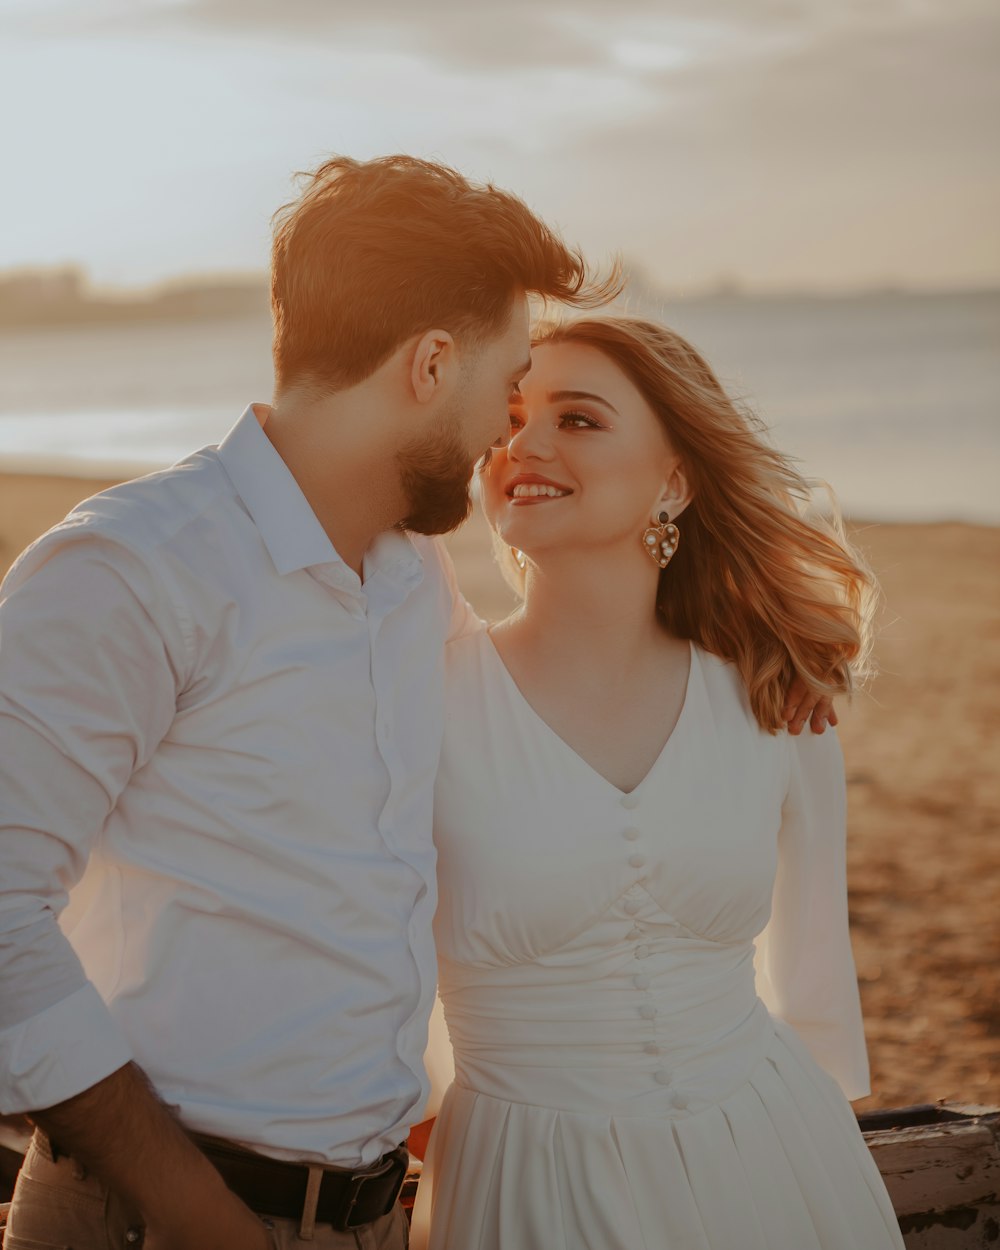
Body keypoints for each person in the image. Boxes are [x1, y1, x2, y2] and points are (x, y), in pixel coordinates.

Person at [0, 155, 618, 1250]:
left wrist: (744, 657)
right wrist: (198, 1214)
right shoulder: (129, 570)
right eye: (506, 384)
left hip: (377, 1216)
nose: (507, 430)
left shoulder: (409, 576)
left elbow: (530, 723)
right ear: (431, 363)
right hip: (152, 1221)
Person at [411, 316, 905, 1249]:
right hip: (522, 1179)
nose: (526, 444)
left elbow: (812, 986)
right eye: (511, 416)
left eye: (579, 420)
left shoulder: (773, 693)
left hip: (773, 1159)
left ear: (673, 480)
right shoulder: (425, 699)